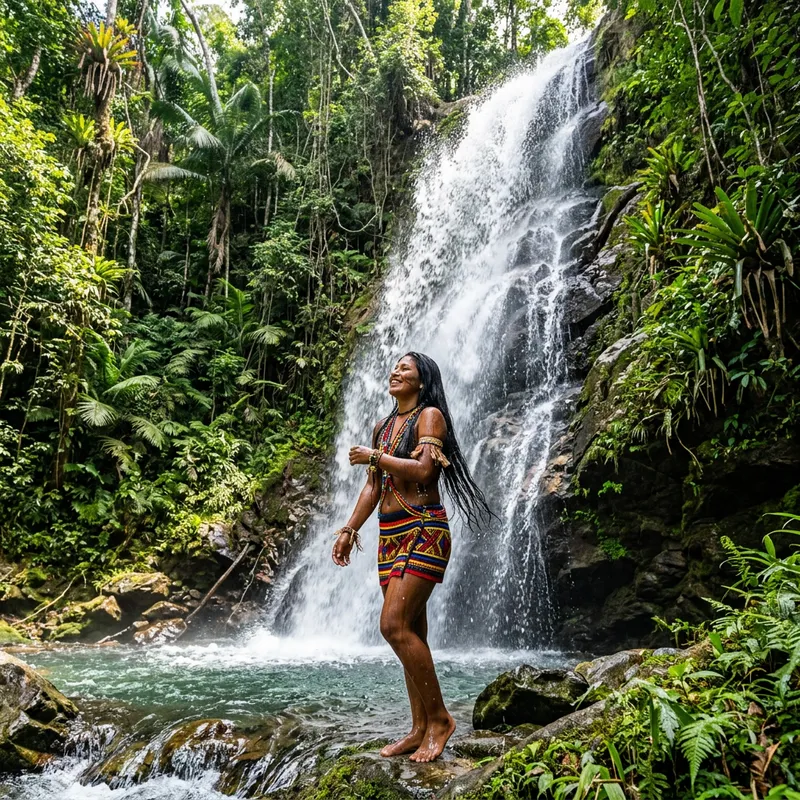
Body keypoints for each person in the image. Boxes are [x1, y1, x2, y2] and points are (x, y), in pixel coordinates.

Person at [331, 352, 492, 763]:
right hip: (390, 536)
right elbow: (373, 486)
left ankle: (440, 720)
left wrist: (374, 456)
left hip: (424, 530)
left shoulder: (430, 416)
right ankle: (419, 728)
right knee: (411, 633)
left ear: (422, 380)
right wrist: (350, 529)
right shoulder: (382, 427)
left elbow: (423, 471)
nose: (395, 371)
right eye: (394, 367)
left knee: (392, 625)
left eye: (405, 367)